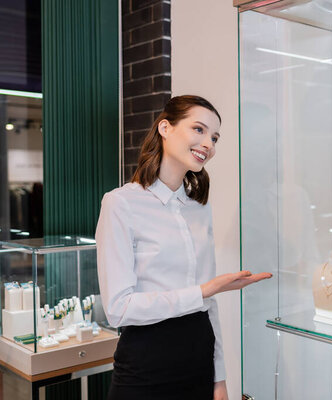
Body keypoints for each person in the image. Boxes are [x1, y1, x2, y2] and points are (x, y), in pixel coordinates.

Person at [96, 95, 271, 400]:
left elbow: (209, 305)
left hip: (199, 359)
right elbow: (118, 309)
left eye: (214, 137)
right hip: (146, 364)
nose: (209, 144)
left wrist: (220, 380)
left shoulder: (198, 208)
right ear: (165, 127)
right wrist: (203, 291)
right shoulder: (121, 203)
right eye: (199, 130)